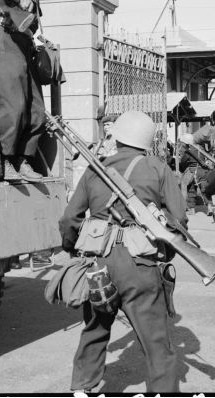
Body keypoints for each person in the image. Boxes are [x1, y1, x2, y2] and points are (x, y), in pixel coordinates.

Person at [59, 110, 187, 393]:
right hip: (140, 264)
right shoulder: (157, 168)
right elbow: (179, 219)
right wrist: (164, 250)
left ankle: (82, 388)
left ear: (116, 137)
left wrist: (72, 249)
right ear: (147, 141)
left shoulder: (96, 168)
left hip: (97, 262)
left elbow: (70, 219)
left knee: (95, 329)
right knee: (155, 341)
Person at [0, 0, 69, 181]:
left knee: (36, 110)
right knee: (13, 103)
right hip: (5, 41)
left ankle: (23, 159)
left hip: (23, 47)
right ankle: (5, 160)